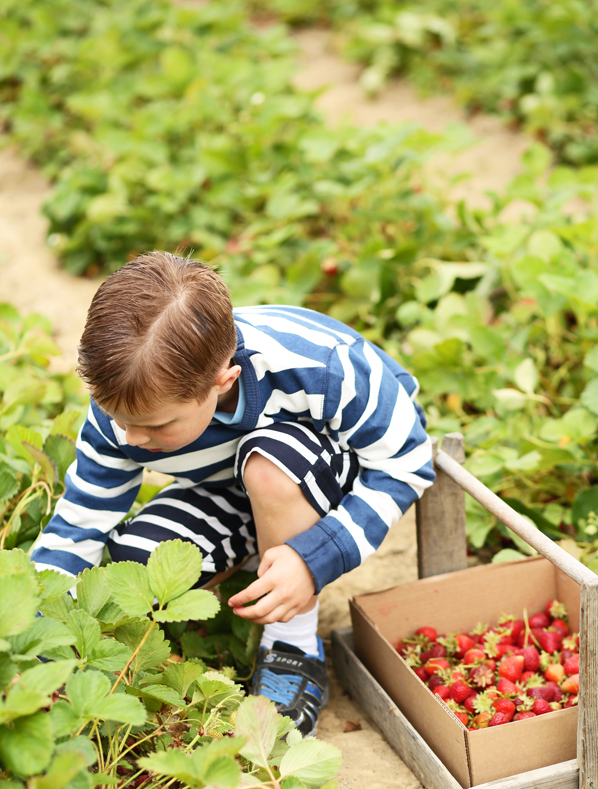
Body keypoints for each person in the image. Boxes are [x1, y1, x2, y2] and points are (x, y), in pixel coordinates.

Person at [32, 252, 435, 735]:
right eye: (119, 419)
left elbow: (406, 461)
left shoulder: (321, 366)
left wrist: (314, 557)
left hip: (330, 471)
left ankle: (292, 641)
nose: (131, 438)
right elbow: (80, 522)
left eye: (155, 425)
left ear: (224, 379)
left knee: (269, 463)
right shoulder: (123, 415)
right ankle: (257, 557)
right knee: (137, 563)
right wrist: (35, 626)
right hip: (227, 485)